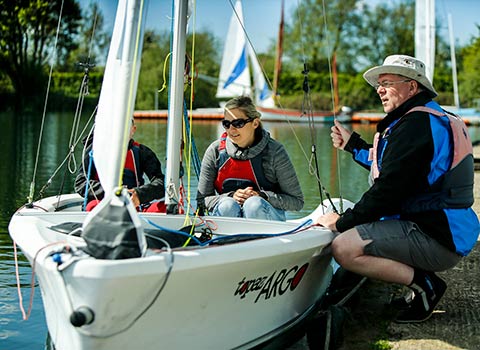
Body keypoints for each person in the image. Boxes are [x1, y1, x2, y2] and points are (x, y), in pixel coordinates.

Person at [316, 54, 479, 323]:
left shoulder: (415, 125)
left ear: (412, 87)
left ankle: (427, 286)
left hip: (437, 237)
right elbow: (397, 168)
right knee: (367, 227)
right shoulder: (429, 118)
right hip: (448, 232)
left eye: (388, 82)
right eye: (379, 84)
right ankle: (418, 285)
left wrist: (342, 222)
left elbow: (388, 191)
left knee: (345, 248)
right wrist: (352, 145)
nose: (379, 89)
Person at [196, 96, 303, 221]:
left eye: (238, 123)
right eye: (227, 124)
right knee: (227, 206)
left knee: (253, 205)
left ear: (255, 123)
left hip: (267, 223)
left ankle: (258, 239)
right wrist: (231, 196)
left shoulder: (275, 152)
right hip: (228, 219)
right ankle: (225, 240)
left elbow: (297, 202)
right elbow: (202, 200)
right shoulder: (215, 151)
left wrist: (262, 196)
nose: (231, 129)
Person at [75, 118, 166, 212]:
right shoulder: (94, 151)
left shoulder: (142, 152)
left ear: (133, 130)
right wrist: (112, 192)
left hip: (133, 205)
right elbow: (81, 183)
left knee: (167, 209)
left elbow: (161, 183)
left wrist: (140, 194)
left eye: (125, 127)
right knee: (93, 207)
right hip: (102, 203)